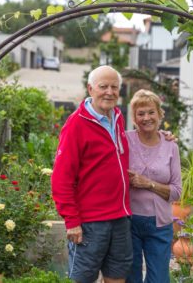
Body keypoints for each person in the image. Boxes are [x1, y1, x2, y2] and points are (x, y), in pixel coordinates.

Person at [51, 65, 133, 283]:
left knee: (116, 277)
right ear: (90, 88)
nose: (109, 92)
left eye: (114, 87)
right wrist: (72, 220)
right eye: (103, 86)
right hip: (90, 223)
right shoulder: (76, 124)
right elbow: (61, 179)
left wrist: (162, 136)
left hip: (120, 218)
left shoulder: (117, 117)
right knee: (82, 279)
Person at [126, 89, 182, 283]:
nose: (146, 118)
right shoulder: (124, 141)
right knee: (130, 278)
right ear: (134, 118)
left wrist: (148, 183)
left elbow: (176, 192)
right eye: (140, 113)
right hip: (128, 222)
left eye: (151, 112)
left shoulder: (170, 146)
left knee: (158, 279)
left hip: (160, 224)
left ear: (159, 114)